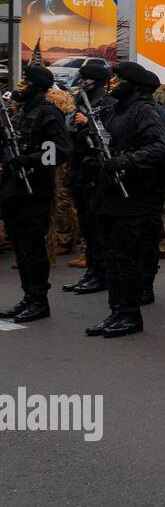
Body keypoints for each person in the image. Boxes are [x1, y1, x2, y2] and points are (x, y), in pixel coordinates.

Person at [86, 62, 165, 339]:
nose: (113, 83)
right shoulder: (113, 110)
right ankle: (117, 311)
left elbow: (158, 147)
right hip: (112, 196)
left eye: (120, 79)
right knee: (112, 258)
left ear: (133, 84)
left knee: (128, 259)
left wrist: (126, 160)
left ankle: (130, 314)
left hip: (135, 197)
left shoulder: (144, 110)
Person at [0, 65, 72, 323]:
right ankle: (28, 297)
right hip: (13, 188)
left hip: (34, 189)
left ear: (37, 87)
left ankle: (39, 300)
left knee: (32, 247)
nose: (20, 86)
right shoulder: (20, 113)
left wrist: (28, 159)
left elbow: (61, 151)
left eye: (25, 82)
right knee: (20, 246)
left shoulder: (48, 114)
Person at [64, 62, 114, 295]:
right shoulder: (82, 102)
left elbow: (109, 137)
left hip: (97, 172)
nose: (81, 82)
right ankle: (92, 271)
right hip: (81, 170)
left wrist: (88, 125)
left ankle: (101, 273)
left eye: (85, 78)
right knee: (87, 224)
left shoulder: (107, 104)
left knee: (98, 227)